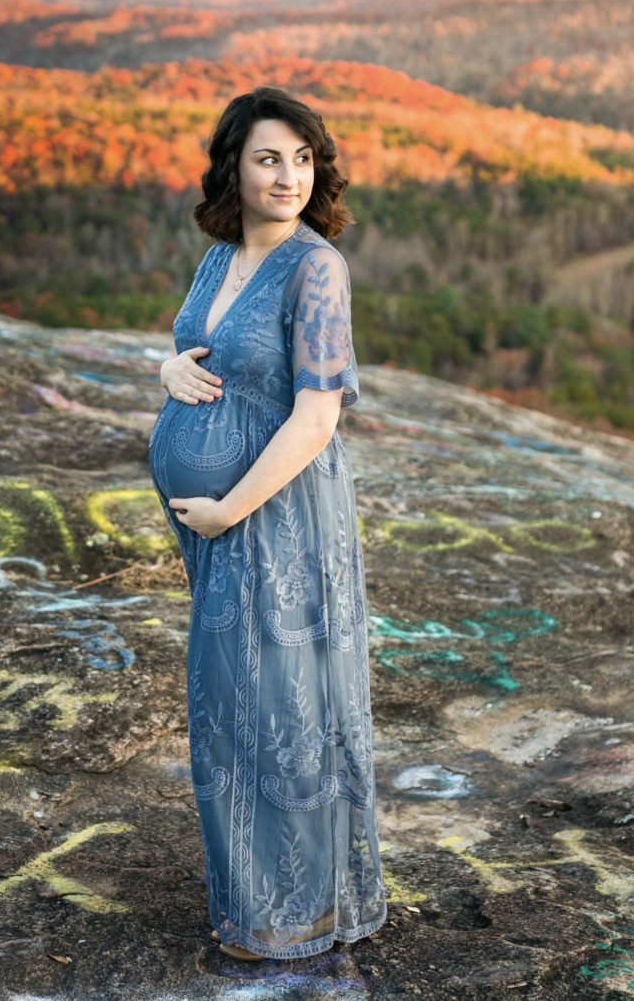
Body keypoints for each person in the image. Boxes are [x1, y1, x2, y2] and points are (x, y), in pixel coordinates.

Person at [148, 85, 387, 961]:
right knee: (226, 704)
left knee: (279, 701)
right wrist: (170, 369)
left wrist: (226, 508)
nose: (288, 175)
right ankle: (254, 895)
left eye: (302, 158)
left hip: (275, 515)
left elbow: (317, 417)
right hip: (215, 524)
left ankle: (299, 910)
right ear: (233, 170)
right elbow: (205, 347)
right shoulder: (220, 259)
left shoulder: (316, 268)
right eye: (267, 158)